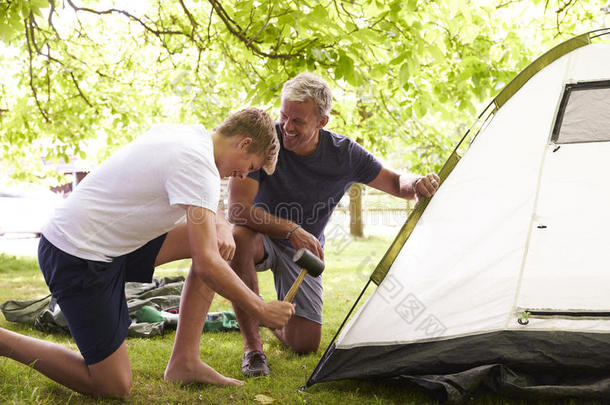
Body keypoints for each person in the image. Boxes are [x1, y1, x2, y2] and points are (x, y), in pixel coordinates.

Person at [0, 108, 295, 397]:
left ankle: (185, 362)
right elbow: (206, 264)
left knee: (221, 241)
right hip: (75, 254)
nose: (242, 175)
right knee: (112, 386)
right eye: (250, 166)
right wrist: (260, 308)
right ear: (244, 143)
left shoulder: (190, 136)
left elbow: (204, 203)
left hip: (109, 246)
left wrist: (219, 222)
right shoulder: (198, 165)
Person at [227, 73, 440, 377]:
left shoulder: (344, 154)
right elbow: (237, 210)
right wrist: (291, 229)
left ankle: (257, 310)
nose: (286, 126)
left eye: (298, 121)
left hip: (305, 252)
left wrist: (417, 181)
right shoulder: (266, 141)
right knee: (240, 237)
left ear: (322, 122)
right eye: (284, 115)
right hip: (262, 237)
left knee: (305, 344)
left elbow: (395, 182)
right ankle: (253, 349)